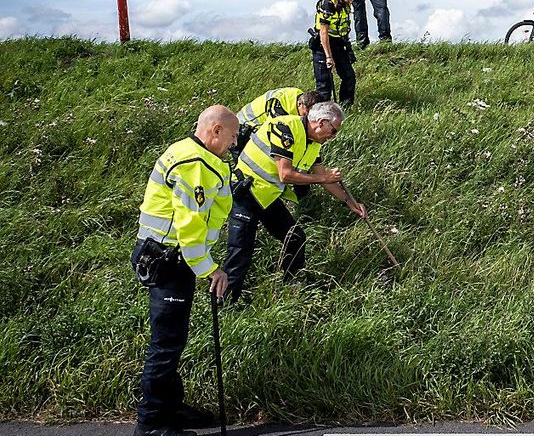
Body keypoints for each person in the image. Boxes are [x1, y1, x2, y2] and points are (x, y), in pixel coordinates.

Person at [131, 105, 239, 436]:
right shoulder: (193, 164)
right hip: (167, 260)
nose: (235, 143)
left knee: (173, 339)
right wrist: (210, 269)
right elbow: (189, 226)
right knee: (166, 342)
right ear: (216, 130)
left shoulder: (202, 158)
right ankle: (151, 424)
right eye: (233, 136)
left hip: (175, 259)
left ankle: (170, 409)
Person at [223, 101, 367, 301]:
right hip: (245, 191)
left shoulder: (313, 143)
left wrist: (349, 202)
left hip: (267, 195)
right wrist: (322, 178)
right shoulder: (286, 127)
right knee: (241, 250)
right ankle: (226, 301)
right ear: (322, 123)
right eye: (333, 131)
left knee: (295, 237)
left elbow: (323, 177)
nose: (333, 137)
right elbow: (286, 174)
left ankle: (291, 284)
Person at [310, 0, 365, 106]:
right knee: (324, 85)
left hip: (340, 44)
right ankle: (322, 115)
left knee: (349, 76)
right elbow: (323, 32)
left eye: (353, 0)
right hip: (323, 45)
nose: (351, 1)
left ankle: (345, 108)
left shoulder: (345, 4)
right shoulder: (327, 4)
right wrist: (328, 56)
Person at [234, 87, 320, 154]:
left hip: (253, 124)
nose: (307, 119)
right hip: (243, 127)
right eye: (305, 114)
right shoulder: (280, 107)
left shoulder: (298, 96)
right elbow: (273, 135)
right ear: (300, 104)